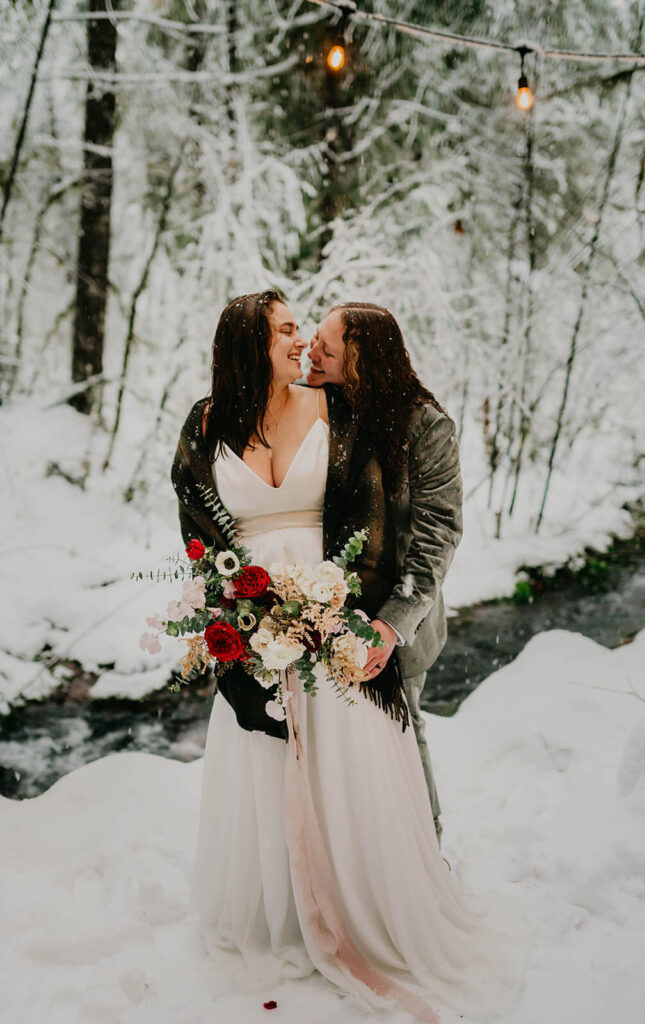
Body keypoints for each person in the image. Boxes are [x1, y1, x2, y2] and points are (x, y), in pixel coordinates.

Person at [171, 290, 527, 1022]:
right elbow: (198, 531)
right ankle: (282, 911)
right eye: (289, 329)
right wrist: (230, 623)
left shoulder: (343, 413)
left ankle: (395, 886)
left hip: (341, 609)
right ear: (248, 342)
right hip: (253, 610)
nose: (306, 344)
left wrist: (360, 618)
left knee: (367, 760)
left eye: (317, 334)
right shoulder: (203, 424)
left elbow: (386, 523)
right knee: (265, 759)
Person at [307, 301, 461, 844]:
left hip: (395, 620)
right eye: (314, 337)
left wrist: (390, 626)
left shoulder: (425, 426)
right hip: (318, 617)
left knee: (400, 735)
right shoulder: (313, 409)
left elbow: (438, 534)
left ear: (362, 357)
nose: (312, 349)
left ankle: (424, 853)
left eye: (327, 345)